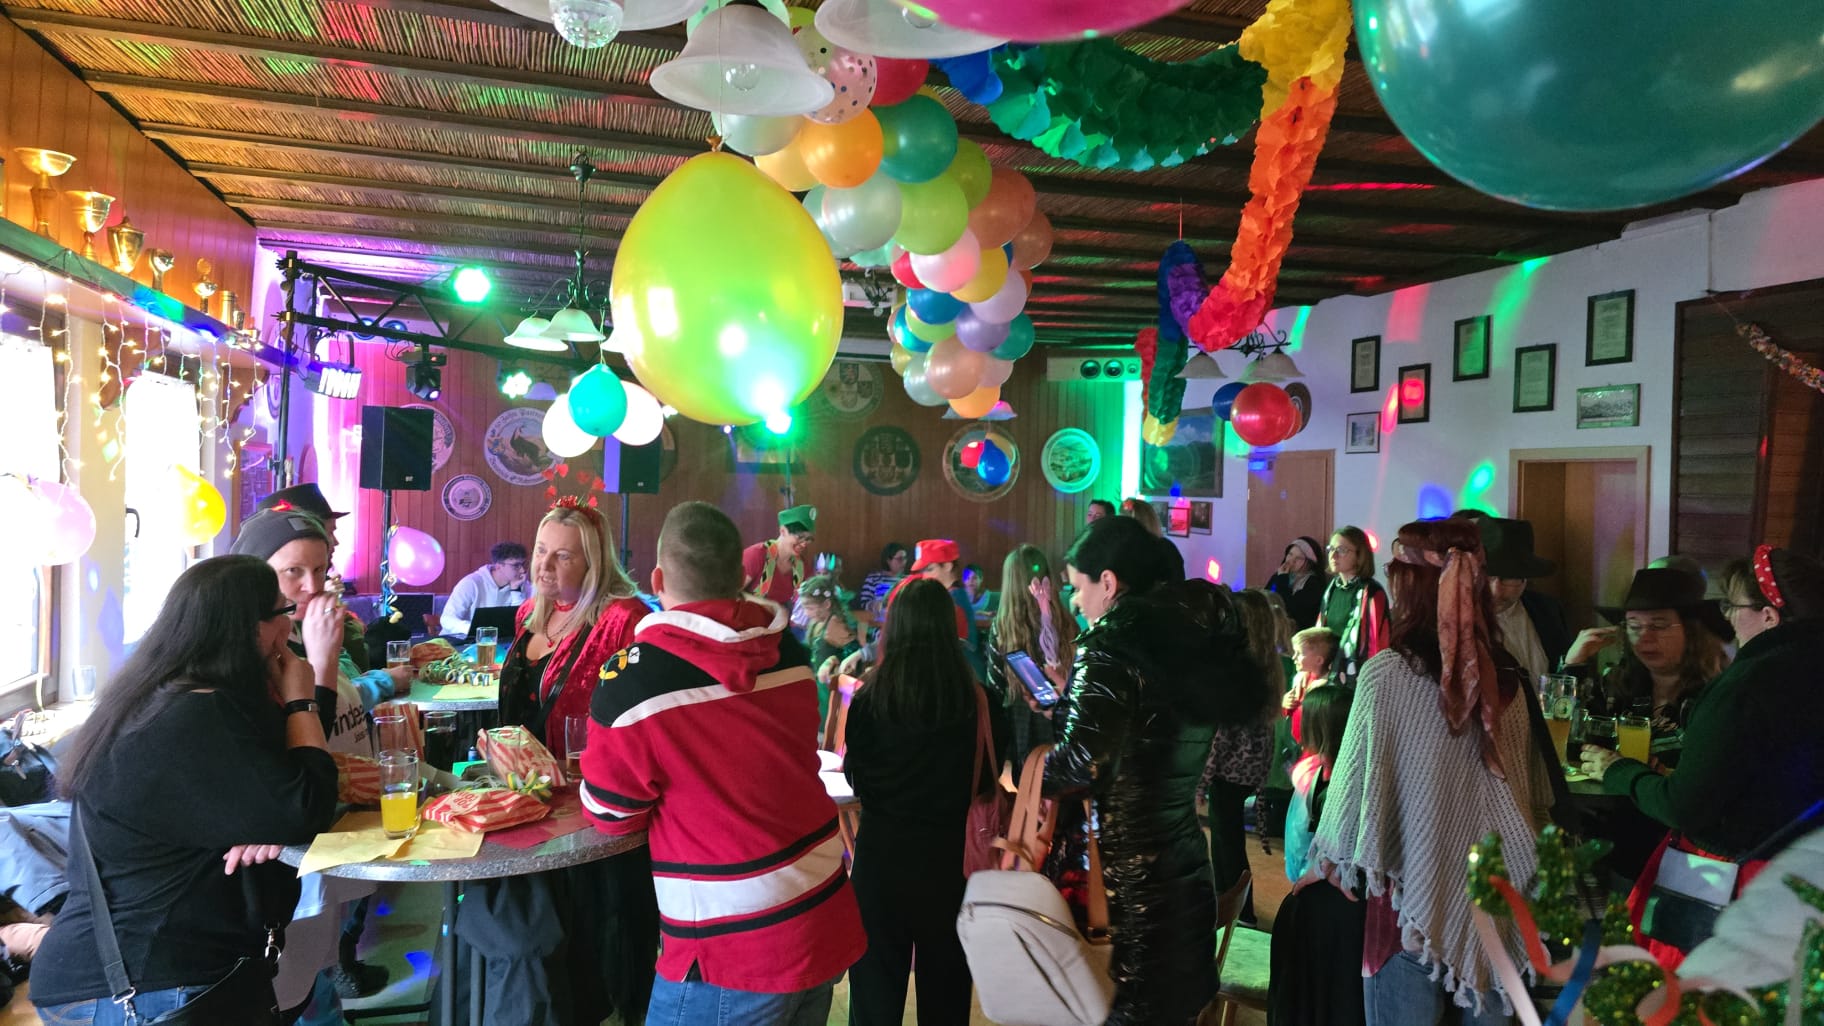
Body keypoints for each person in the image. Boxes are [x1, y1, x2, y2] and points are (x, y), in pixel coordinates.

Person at [580, 501, 865, 1024]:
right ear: (741, 575)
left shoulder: (634, 683)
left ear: (657, 579)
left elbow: (610, 813)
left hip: (730, 942)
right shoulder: (790, 652)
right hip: (822, 904)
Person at [31, 556, 338, 1022]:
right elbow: (308, 805)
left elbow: (294, 791)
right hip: (143, 980)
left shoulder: (163, 697)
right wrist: (301, 699)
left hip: (146, 970)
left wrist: (276, 821)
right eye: (282, 612)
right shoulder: (195, 715)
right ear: (249, 629)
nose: (290, 626)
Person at [1310, 518, 1555, 1024]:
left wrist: (1325, 861)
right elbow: (1530, 800)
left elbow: (1352, 804)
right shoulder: (1507, 674)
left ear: (1411, 584)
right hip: (1494, 901)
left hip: (1407, 906)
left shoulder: (1387, 674)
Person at [1045, 515, 1270, 1025]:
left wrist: (1035, 773)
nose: (1075, 602)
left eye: (1078, 587)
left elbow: (1083, 763)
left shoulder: (1110, 650)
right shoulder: (1186, 646)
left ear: (1108, 582)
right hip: (1181, 864)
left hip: (1125, 886)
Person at [1580, 547, 1824, 967]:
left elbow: (1684, 806)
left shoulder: (1744, 687)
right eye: (1634, 625)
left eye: (1734, 606)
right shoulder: (1807, 669)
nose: (1728, 617)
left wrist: (1620, 771)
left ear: (1769, 616)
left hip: (1731, 881)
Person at [473, 496, 657, 1025]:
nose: (544, 566)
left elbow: (643, 717)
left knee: (594, 947)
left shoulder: (624, 618)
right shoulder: (530, 613)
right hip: (524, 805)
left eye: (564, 556)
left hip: (590, 811)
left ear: (593, 563)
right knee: (532, 944)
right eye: (540, 551)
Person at [229, 508, 406, 1012]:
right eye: (293, 572)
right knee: (290, 995)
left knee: (316, 982)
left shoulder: (306, 634)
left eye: (320, 570)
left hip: (335, 845)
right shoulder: (257, 657)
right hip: (289, 869)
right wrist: (323, 663)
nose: (311, 587)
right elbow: (306, 750)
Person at [844, 578, 986, 1026]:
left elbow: (855, 778)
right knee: (946, 1002)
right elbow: (987, 778)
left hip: (880, 861)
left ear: (894, 627)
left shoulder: (869, 700)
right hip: (950, 866)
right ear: (949, 627)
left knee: (873, 1003)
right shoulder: (977, 701)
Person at [1269, 683, 1364, 1026]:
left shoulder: (1329, 782)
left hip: (1325, 912)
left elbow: (1305, 848)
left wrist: (1320, 870)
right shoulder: (1339, 774)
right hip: (1338, 907)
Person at [1201, 589, 1286, 926]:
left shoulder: (1239, 668)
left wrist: (1203, 777)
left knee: (1227, 845)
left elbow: (1222, 733)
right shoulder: (1267, 663)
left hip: (1230, 768)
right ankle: (1232, 907)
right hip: (1250, 766)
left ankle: (1239, 911)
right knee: (1229, 840)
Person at [1565, 564, 1732, 729]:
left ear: (1690, 632)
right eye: (1634, 626)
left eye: (1659, 625)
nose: (1644, 637)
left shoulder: (1718, 695)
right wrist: (1574, 665)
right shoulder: (1616, 686)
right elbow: (1581, 731)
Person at [255, 482, 369, 671]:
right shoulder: (255, 641)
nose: (335, 542)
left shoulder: (301, 611)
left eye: (318, 570)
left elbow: (352, 665)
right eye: (293, 570)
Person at [987, 544, 1076, 781]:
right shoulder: (1067, 622)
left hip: (1022, 734)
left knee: (1029, 790)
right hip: (1063, 726)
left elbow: (995, 690)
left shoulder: (1003, 629)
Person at [1479, 517, 1572, 682]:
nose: (1495, 591)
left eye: (1508, 578)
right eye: (1487, 577)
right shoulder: (1454, 619)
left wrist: (1574, 662)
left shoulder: (1546, 610)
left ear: (1525, 578)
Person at [1317, 525, 1388, 686]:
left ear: (1359, 555)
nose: (1333, 555)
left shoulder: (1371, 592)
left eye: (1341, 550)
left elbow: (1376, 644)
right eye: (1331, 549)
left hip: (1357, 676)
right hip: (1328, 671)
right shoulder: (1332, 589)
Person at [799, 574, 859, 723]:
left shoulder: (836, 625)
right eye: (804, 608)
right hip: (818, 688)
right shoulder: (816, 622)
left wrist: (834, 660)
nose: (806, 613)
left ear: (826, 604)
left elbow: (854, 652)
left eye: (810, 608)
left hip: (830, 690)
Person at [439, 541, 529, 636]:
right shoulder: (471, 583)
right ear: (498, 566)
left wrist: (515, 591)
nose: (522, 570)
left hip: (497, 641)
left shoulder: (522, 585)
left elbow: (520, 623)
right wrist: (477, 630)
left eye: (524, 564)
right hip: (458, 640)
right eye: (516, 565)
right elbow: (447, 619)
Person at [743, 504, 817, 607]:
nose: (804, 544)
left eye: (808, 539)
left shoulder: (802, 566)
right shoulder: (757, 555)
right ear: (783, 531)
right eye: (800, 537)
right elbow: (730, 593)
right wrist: (775, 607)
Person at [1266, 536, 1328, 631]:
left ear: (1310, 563)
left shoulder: (1313, 583)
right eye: (1290, 554)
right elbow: (1267, 596)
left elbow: (1291, 609)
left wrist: (1283, 579)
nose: (1291, 560)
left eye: (1299, 558)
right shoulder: (1281, 574)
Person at [853, 542, 910, 614]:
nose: (904, 562)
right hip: (879, 617)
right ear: (888, 561)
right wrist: (873, 605)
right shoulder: (873, 578)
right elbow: (863, 603)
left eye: (905, 558)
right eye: (900, 559)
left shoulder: (909, 580)